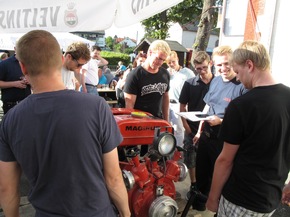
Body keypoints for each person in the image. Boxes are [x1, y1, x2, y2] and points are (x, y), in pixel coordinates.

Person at [0, 30, 130, 217]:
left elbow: (7, 188)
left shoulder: (11, 120)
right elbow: (113, 178)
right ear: (62, 60)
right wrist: (126, 213)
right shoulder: (97, 107)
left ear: (23, 68)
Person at [206, 40, 290, 216]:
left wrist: (213, 198)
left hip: (241, 198)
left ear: (249, 65)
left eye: (237, 71)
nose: (237, 78)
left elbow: (225, 160)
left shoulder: (241, 105)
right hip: (272, 198)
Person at [192, 45, 247, 211]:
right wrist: (199, 130)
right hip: (207, 135)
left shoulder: (241, 84)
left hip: (224, 140)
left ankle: (217, 208)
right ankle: (199, 207)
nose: (223, 68)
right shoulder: (215, 81)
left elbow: (244, 120)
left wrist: (221, 121)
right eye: (219, 65)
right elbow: (207, 107)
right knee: (202, 174)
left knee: (219, 177)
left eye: (226, 63)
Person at [179, 51, 214, 202]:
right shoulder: (190, 83)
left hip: (212, 129)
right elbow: (182, 106)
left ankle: (209, 186)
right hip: (192, 128)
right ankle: (194, 184)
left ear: (210, 63)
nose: (202, 71)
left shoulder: (218, 83)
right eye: (198, 69)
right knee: (191, 158)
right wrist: (186, 127)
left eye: (204, 67)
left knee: (209, 159)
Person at [124, 40, 171, 121]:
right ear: (150, 52)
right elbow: (129, 106)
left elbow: (165, 98)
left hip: (157, 121)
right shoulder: (134, 75)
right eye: (158, 58)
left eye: (163, 60)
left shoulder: (165, 74)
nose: (160, 62)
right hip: (139, 123)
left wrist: (166, 121)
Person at [166, 51, 195, 147]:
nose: (171, 64)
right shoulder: (167, 72)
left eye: (173, 61)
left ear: (178, 59)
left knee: (178, 129)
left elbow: (193, 87)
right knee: (167, 127)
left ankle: (178, 151)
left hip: (179, 103)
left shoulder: (187, 73)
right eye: (169, 62)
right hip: (167, 103)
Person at [0, 48, 31, 114]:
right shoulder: (5, 64)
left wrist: (30, 81)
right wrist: (14, 84)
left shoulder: (30, 63)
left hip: (27, 104)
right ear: (15, 49)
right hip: (11, 106)